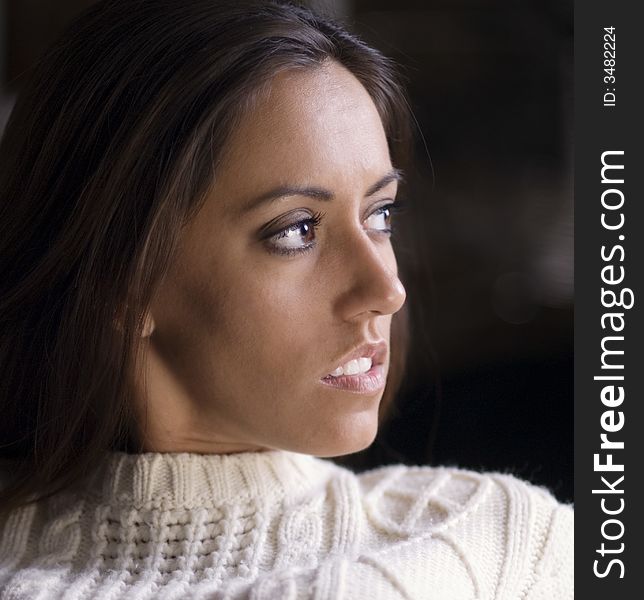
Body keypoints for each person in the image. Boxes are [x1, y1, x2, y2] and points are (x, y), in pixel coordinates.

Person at [0, 1, 573, 598]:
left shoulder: (501, 549)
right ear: (123, 277)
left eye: (381, 213)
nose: (387, 290)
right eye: (297, 230)